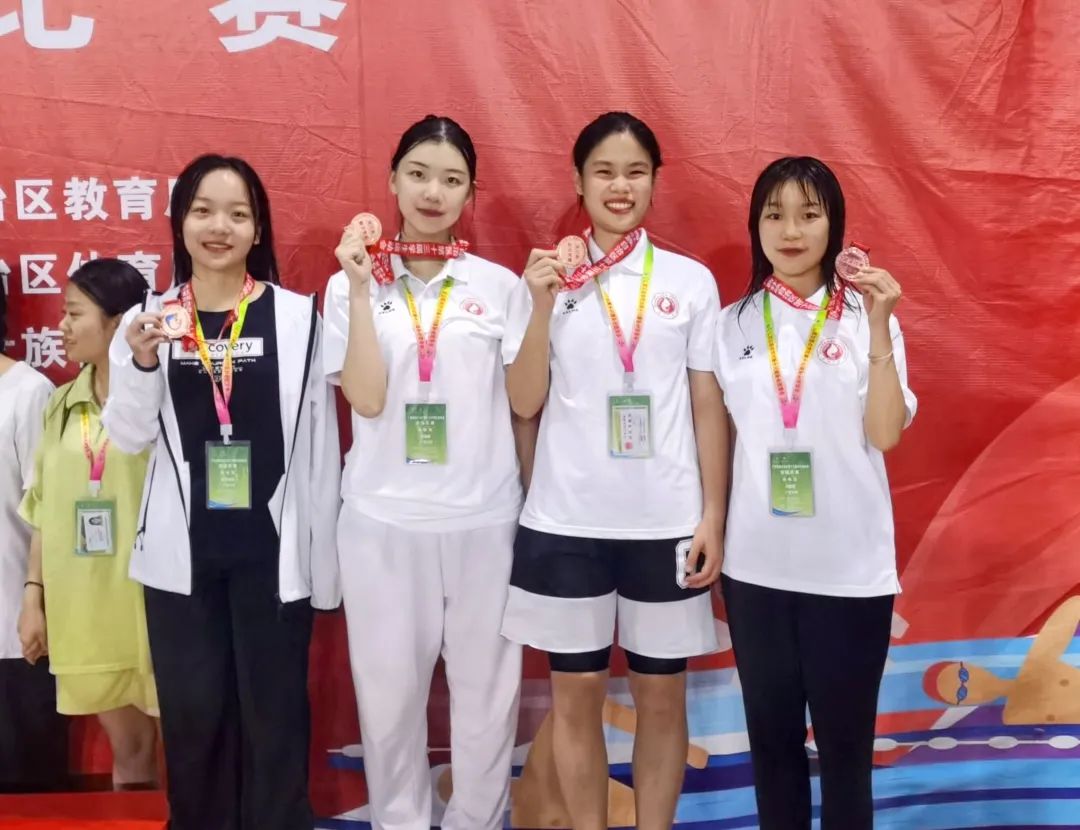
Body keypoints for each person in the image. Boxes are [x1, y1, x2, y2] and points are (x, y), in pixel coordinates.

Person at [500, 111, 728, 830]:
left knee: (661, 697)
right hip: (566, 523)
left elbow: (707, 405)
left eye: (635, 172)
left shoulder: (689, 283)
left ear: (656, 181)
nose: (620, 186)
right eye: (604, 171)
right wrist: (541, 304)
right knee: (577, 697)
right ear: (578, 180)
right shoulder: (548, 279)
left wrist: (713, 515)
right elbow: (523, 401)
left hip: (665, 524)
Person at [102, 154, 341, 829]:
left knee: (274, 719)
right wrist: (142, 362)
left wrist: (325, 568)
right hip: (183, 561)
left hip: (273, 555)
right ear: (180, 223)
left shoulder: (297, 317)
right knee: (195, 719)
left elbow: (321, 448)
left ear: (258, 228)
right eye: (203, 211)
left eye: (237, 214)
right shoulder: (149, 320)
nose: (219, 228)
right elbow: (127, 437)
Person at [324, 115, 523, 830]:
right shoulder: (350, 285)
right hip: (382, 521)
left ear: (470, 192)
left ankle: (478, 821)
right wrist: (358, 287)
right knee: (388, 703)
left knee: (487, 701)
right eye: (417, 174)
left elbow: (525, 402)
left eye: (451, 179)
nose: (433, 192)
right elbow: (366, 398)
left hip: (483, 519)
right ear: (392, 180)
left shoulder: (499, 288)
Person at [715, 156, 917, 829]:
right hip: (757, 571)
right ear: (756, 226)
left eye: (809, 214)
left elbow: (884, 433)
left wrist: (881, 329)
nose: (791, 231)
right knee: (773, 752)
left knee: (845, 755)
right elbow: (718, 444)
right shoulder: (732, 324)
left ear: (835, 225)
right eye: (774, 215)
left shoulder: (864, 316)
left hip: (850, 573)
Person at [17, 259, 159, 790]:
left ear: (118, 322)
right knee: (131, 752)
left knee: (196, 754)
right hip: (90, 610)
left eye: (75, 314)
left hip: (156, 603)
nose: (62, 326)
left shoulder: (161, 397)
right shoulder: (61, 402)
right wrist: (33, 597)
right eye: (63, 313)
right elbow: (44, 507)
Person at [0, 284, 67, 793]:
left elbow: (48, 507)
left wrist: (35, 600)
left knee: (27, 793)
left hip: (13, 633)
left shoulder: (27, 392)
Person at [924, 594, 1080, 724]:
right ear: (963, 704)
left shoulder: (1037, 663)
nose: (971, 684)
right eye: (962, 693)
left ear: (971, 667)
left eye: (963, 675)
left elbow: (1072, 607)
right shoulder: (1015, 720)